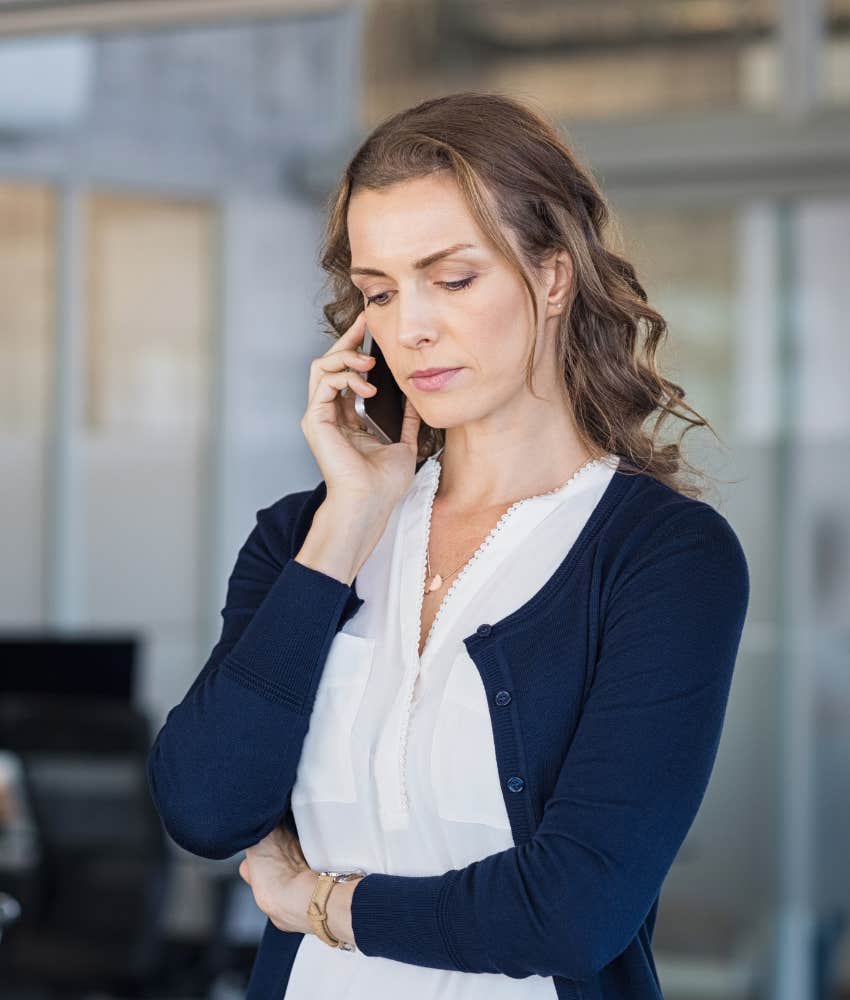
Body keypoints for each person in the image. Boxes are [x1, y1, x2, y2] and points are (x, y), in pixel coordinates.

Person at [147, 91, 750, 1000]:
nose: (412, 327)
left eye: (454, 277)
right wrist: (348, 523)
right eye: (382, 292)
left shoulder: (662, 559)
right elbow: (207, 807)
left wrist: (316, 900)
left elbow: (574, 911)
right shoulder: (303, 537)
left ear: (553, 277)